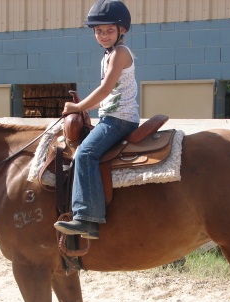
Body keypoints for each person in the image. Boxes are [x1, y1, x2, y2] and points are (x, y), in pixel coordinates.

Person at [54, 0, 139, 239]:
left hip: (120, 119)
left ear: (122, 30)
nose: (103, 35)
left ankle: (87, 218)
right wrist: (84, 111)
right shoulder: (109, 54)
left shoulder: (120, 53)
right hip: (111, 116)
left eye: (109, 30)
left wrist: (78, 106)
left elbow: (104, 91)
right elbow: (108, 96)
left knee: (86, 154)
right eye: (98, 31)